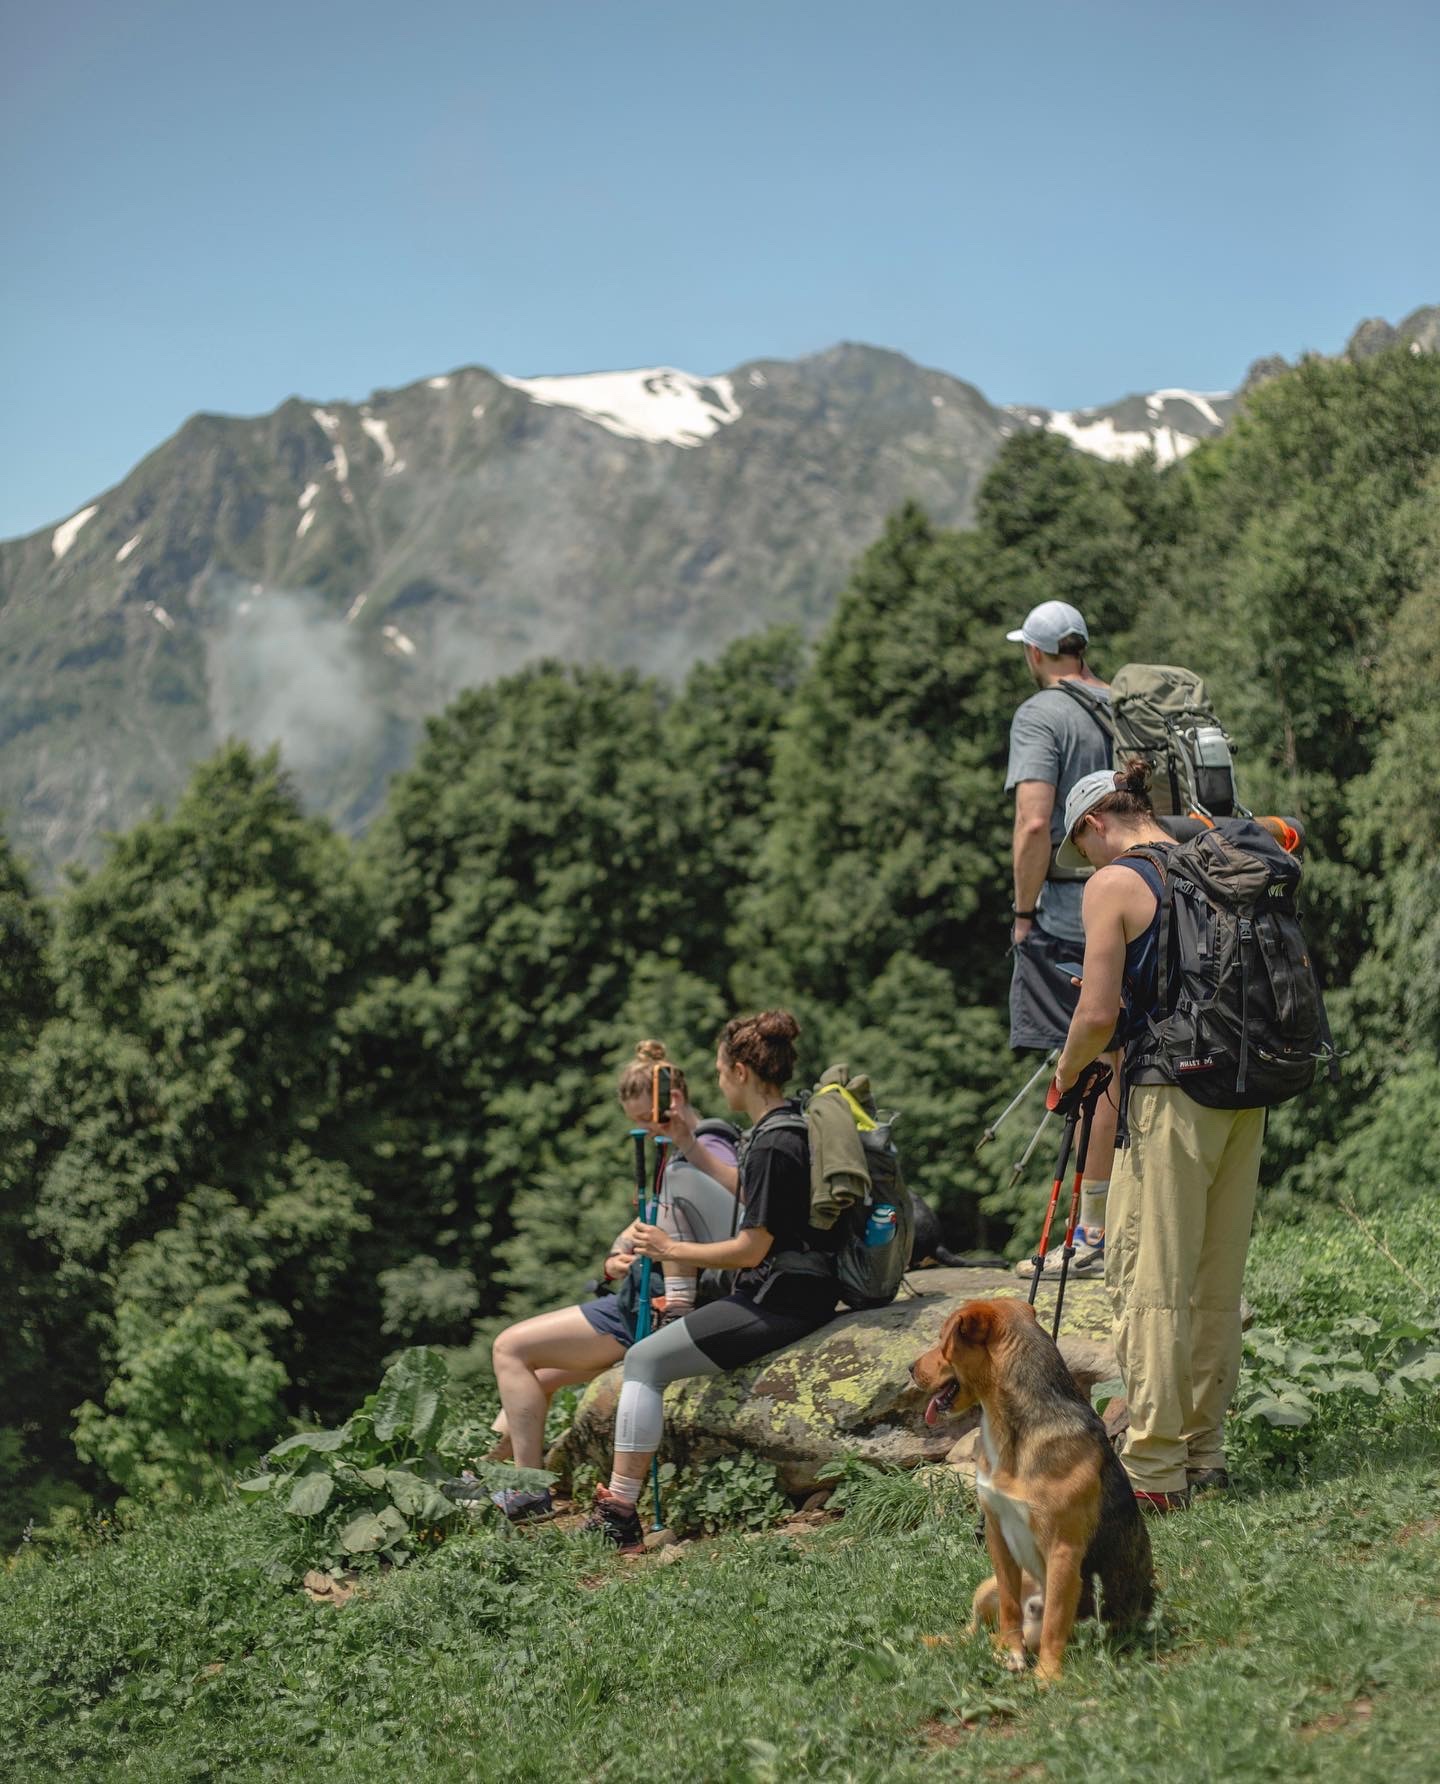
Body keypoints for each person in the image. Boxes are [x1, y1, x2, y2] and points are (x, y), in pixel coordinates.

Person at [1051, 759, 1264, 1512]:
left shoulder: (1115, 883)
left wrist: (1065, 1074)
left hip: (1171, 1094)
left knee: (1152, 1283)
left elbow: (1098, 1017)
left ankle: (1153, 1472)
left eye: (1082, 850)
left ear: (1094, 824)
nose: (1090, 865)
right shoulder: (1217, 860)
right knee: (1213, 1282)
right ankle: (1204, 1453)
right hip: (1245, 1088)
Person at [582, 1009, 841, 1553]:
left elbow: (752, 1250)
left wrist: (669, 1248)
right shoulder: (782, 1125)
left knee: (644, 1361)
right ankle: (620, 1511)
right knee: (648, 1358)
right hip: (794, 1290)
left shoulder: (773, 1141)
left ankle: (618, 1514)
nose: (719, 1080)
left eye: (722, 1071)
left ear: (742, 1071)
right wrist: (687, 1139)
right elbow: (754, 1195)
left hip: (784, 1299)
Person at [486, 1041, 740, 1521]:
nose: (645, 1129)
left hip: (650, 1312)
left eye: (651, 1116)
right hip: (636, 1296)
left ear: (677, 1098)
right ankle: (474, 1473)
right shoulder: (674, 1152)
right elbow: (650, 1222)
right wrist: (615, 1257)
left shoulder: (706, 1146)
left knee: (510, 1348)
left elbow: (726, 1215)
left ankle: (528, 1491)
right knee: (532, 1378)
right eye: (637, 1119)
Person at [1005, 599, 1117, 1279]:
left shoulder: (1041, 714)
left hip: (1074, 915)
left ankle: (1091, 1237)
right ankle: (1115, 1224)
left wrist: (1023, 913)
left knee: (1087, 1070)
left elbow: (1032, 824)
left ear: (1036, 654)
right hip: (1148, 896)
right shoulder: (1123, 704)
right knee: (1130, 1067)